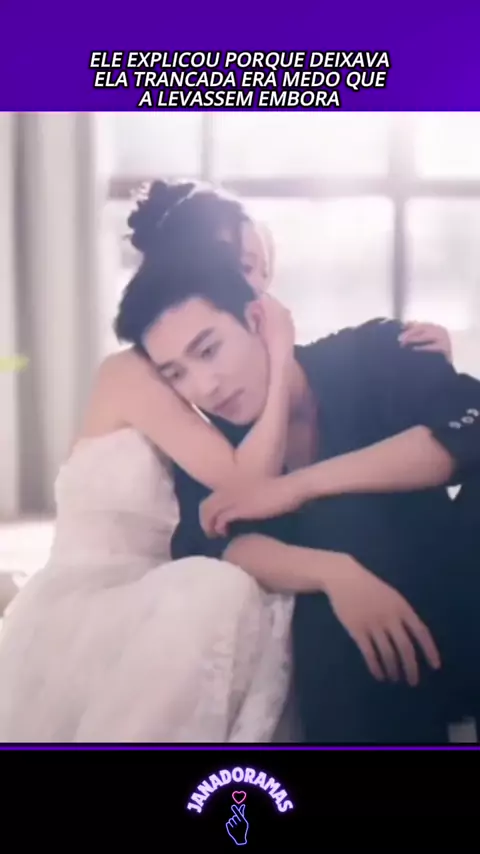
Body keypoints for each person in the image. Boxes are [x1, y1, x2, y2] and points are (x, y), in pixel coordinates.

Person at [0, 181, 455, 743]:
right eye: (235, 266)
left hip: (176, 574)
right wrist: (279, 355)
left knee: (262, 591)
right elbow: (247, 487)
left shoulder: (210, 359)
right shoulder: (139, 371)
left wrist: (409, 356)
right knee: (223, 591)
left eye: (253, 265)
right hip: (114, 590)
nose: (253, 281)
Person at [112, 233, 480, 743]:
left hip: (451, 589)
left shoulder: (375, 351)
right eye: (177, 374)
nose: (205, 387)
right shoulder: (214, 443)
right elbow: (212, 539)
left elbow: (464, 431)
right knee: (318, 586)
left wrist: (296, 487)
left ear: (256, 320)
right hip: (356, 659)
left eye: (209, 350)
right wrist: (332, 573)